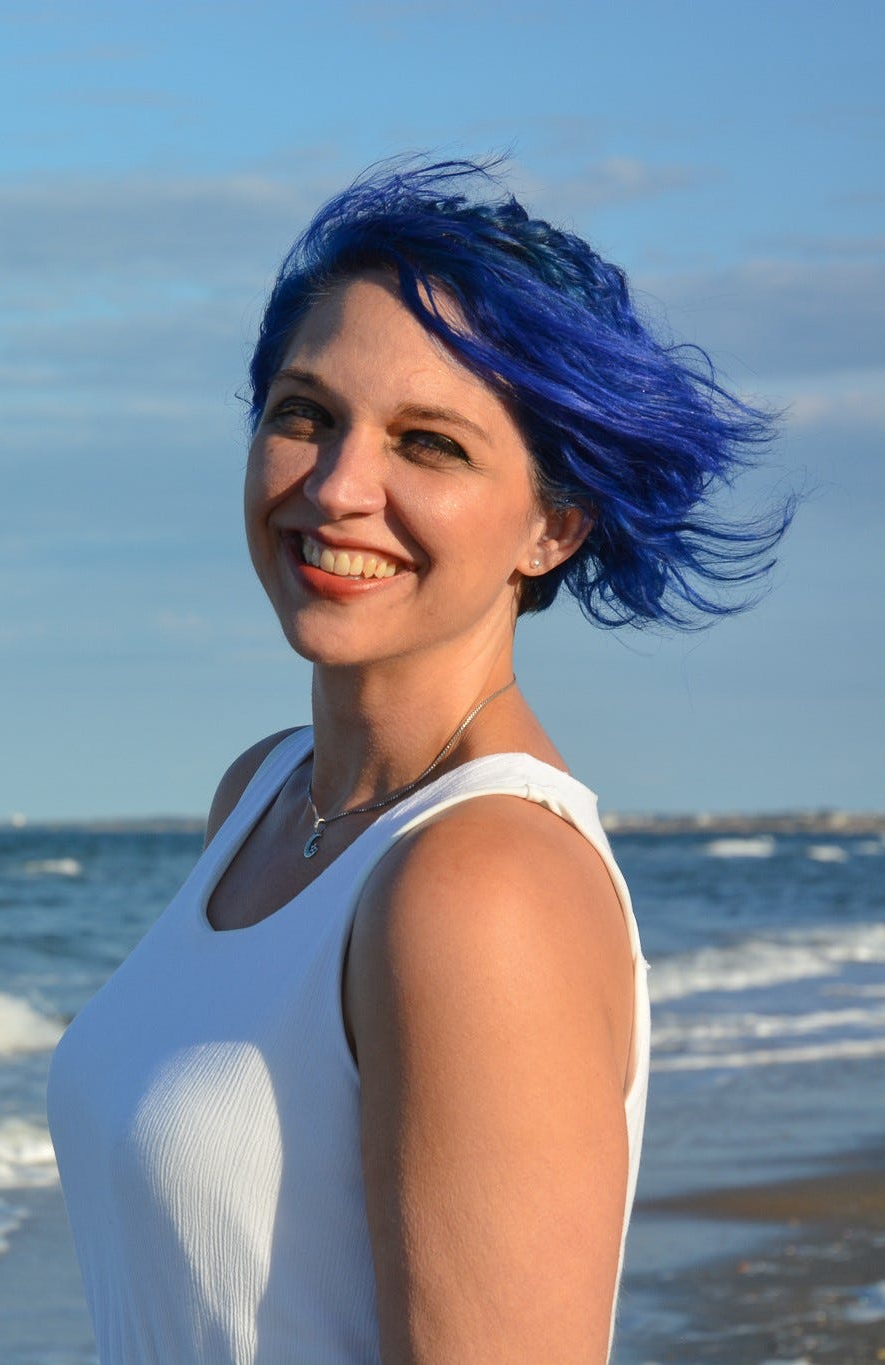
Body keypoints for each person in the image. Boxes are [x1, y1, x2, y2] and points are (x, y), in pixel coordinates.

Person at [47, 158, 791, 1364]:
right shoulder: (261, 796)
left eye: (428, 444)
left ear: (553, 524)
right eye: (303, 414)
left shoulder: (479, 886)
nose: (338, 488)